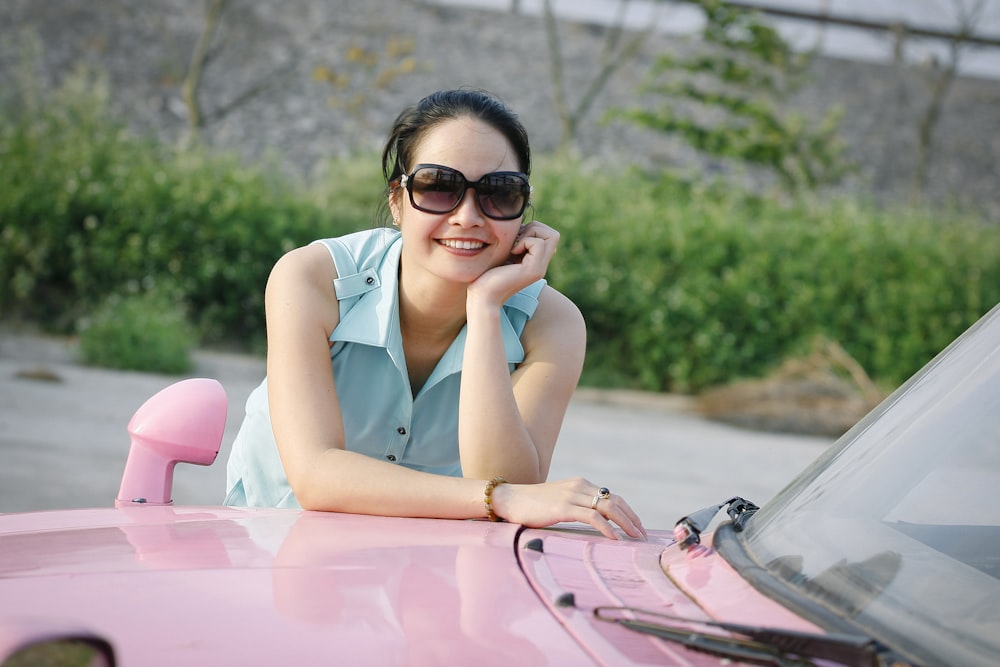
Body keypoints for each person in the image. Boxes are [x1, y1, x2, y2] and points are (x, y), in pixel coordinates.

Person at [225, 88, 645, 541]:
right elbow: (316, 475)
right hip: (277, 554)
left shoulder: (551, 324)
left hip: (431, 572)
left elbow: (511, 479)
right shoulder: (312, 279)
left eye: (499, 193)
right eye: (438, 187)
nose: (467, 216)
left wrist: (485, 308)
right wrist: (496, 498)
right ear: (397, 200)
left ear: (523, 210)